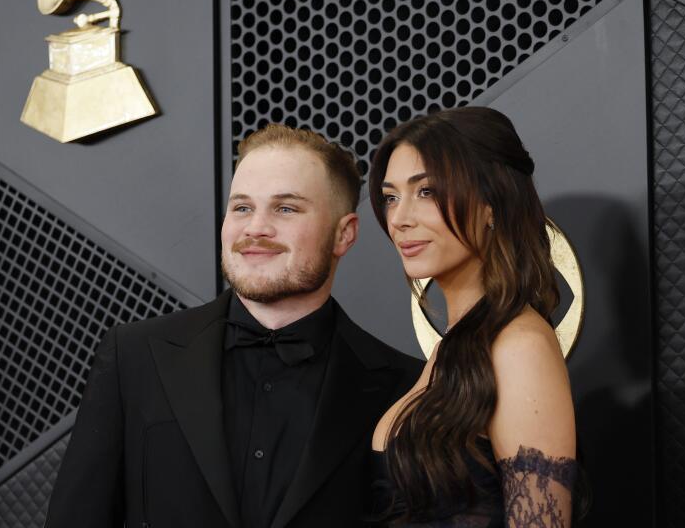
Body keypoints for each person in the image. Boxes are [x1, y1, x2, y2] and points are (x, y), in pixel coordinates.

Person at [44, 124, 423, 528]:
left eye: (286, 208)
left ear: (344, 234)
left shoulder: (406, 388)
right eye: (242, 207)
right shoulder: (135, 356)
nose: (255, 228)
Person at [366, 107, 581, 527]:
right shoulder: (456, 346)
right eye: (391, 197)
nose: (400, 219)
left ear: (491, 205)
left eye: (425, 191)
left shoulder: (520, 348)